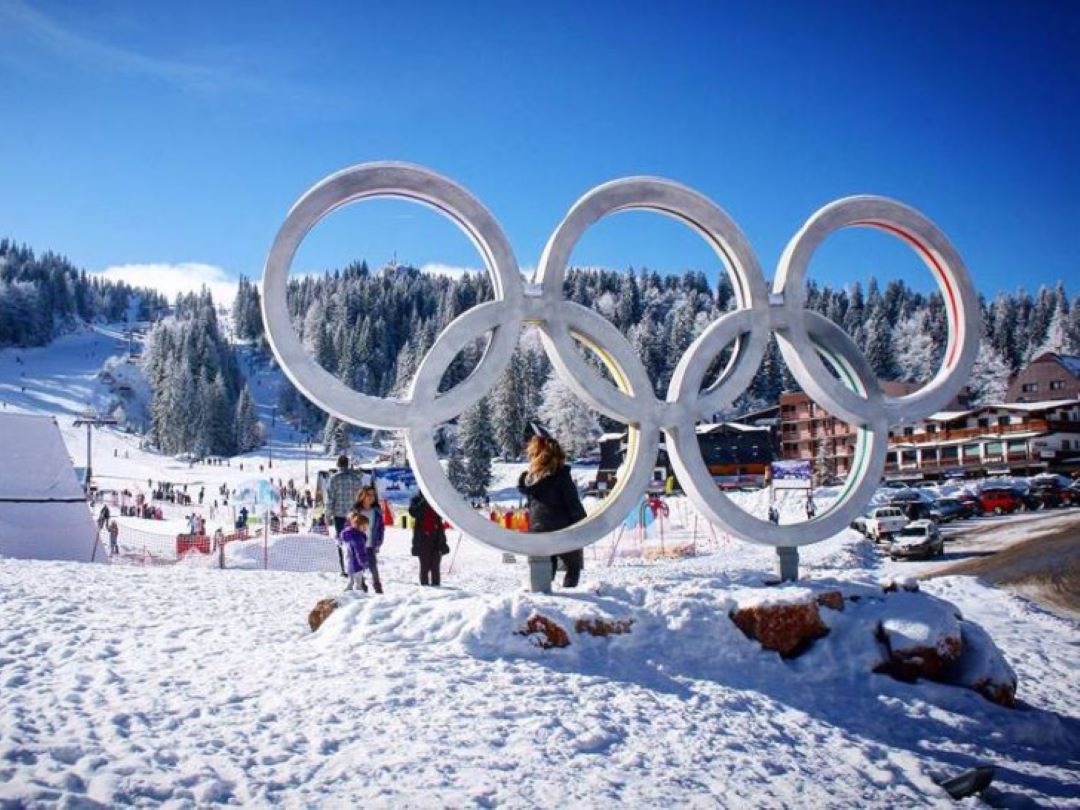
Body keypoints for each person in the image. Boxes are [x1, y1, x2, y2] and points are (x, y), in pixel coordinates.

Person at [517, 423, 587, 588]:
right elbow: (572, 503)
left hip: (538, 528)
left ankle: (545, 594)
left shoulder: (532, 479)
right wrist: (584, 523)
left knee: (547, 564)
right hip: (562, 529)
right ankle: (570, 596)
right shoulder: (561, 476)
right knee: (573, 565)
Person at [327, 455, 367, 577]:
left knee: (341, 541)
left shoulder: (334, 479)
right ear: (348, 464)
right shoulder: (356, 479)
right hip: (354, 515)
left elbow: (330, 499)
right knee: (356, 540)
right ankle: (358, 566)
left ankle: (344, 569)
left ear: (338, 465)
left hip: (339, 515)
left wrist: (328, 514)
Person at [409, 492, 448, 586]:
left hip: (437, 538)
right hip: (422, 538)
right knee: (424, 567)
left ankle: (437, 589)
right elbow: (413, 512)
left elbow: (445, 513)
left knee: (435, 567)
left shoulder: (437, 498)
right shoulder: (416, 499)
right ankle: (425, 591)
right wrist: (425, 501)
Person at [355, 485, 385, 594]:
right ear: (362, 496)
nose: (371, 497)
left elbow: (381, 528)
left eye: (373, 495)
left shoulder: (376, 511)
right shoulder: (356, 511)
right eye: (368, 495)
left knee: (373, 567)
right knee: (359, 567)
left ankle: (378, 589)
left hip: (371, 544)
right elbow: (348, 525)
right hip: (358, 545)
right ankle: (362, 587)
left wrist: (379, 541)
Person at [338, 510, 370, 592]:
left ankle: (347, 591)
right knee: (358, 583)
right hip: (357, 564)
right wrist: (364, 562)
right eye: (365, 526)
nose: (366, 529)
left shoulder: (347, 534)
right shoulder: (358, 537)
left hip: (348, 563)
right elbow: (360, 552)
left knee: (351, 581)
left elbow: (340, 543)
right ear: (359, 525)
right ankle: (359, 596)